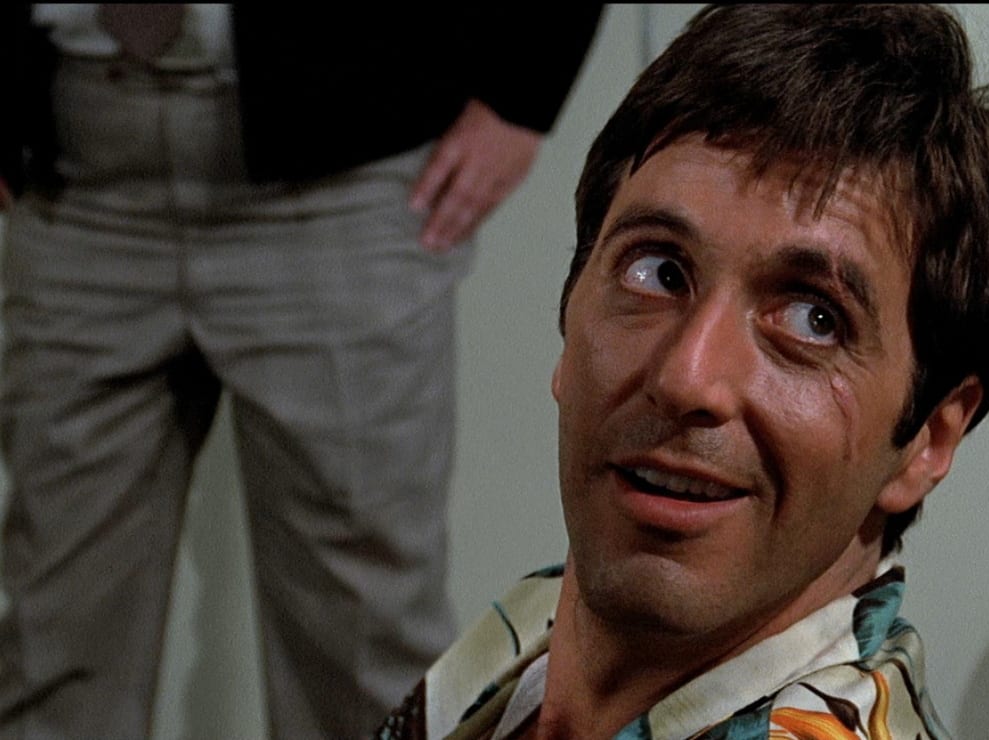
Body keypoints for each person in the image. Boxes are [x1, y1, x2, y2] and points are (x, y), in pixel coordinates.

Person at [375, 4, 989, 739]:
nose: (686, 376)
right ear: (568, 315)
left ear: (929, 437)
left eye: (814, 319)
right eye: (658, 272)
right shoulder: (537, 623)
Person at [0, 5, 602, 739]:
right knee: (54, 641)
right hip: (72, 166)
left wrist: (525, 89)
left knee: (361, 649)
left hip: (342, 164)